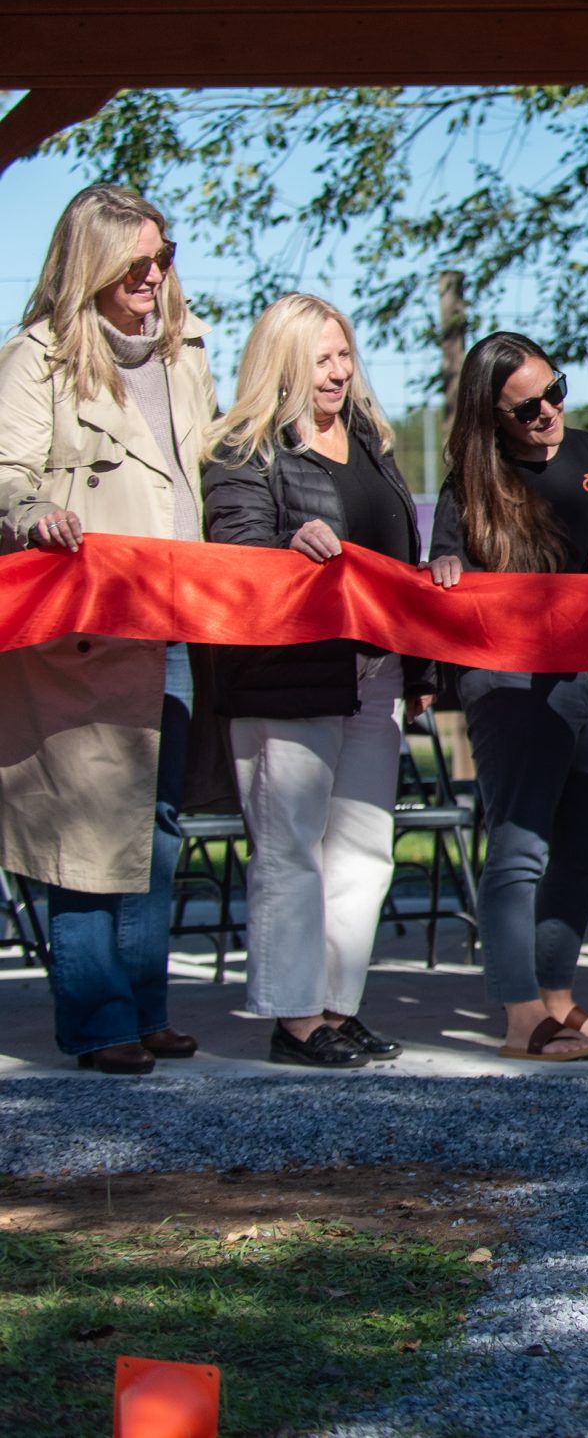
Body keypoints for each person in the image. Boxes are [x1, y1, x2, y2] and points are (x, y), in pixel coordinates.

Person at [0, 183, 216, 1076]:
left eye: (163, 258)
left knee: (154, 823)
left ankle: (146, 1005)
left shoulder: (185, 355)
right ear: (90, 264)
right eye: (135, 264)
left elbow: (212, 466)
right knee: (83, 825)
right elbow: (4, 473)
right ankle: (98, 1019)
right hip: (80, 632)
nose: (154, 276)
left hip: (174, 621)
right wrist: (32, 514)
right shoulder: (36, 358)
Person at [201, 292, 428, 1069]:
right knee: (290, 848)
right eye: (319, 358)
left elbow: (399, 560)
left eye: (343, 355)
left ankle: (337, 1007)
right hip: (287, 677)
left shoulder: (370, 439)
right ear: (282, 362)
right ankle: (294, 1019)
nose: (337, 371)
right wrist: (286, 545)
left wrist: (420, 664)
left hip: (375, 670)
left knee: (365, 849)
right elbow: (235, 552)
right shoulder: (244, 449)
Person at [429, 331, 588, 1063]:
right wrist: (446, 565)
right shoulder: (469, 483)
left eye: (555, 392)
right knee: (520, 848)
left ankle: (556, 997)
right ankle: (520, 1017)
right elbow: (443, 568)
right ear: (492, 417)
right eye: (526, 408)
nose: (548, 412)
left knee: (581, 846)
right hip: (511, 682)